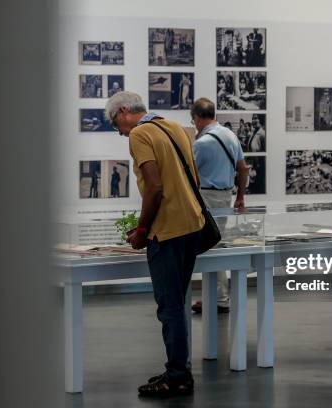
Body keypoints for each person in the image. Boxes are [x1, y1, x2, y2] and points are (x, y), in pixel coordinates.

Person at [105, 91, 204, 398]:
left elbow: (155, 187)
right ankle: (178, 367)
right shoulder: (176, 127)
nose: (119, 132)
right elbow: (194, 178)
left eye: (115, 124)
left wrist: (142, 229)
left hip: (167, 231)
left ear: (123, 112)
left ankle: (177, 377)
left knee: (169, 306)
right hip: (193, 225)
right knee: (178, 302)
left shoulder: (140, 134)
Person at [189, 98, 249, 314]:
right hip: (226, 196)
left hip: (206, 197)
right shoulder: (230, 135)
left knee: (208, 248)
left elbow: (189, 175)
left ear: (196, 117)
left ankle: (219, 298)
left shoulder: (202, 143)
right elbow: (243, 168)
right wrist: (240, 196)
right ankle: (217, 296)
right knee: (216, 245)